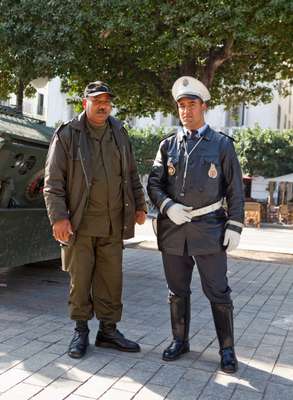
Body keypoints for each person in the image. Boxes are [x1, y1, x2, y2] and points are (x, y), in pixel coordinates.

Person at [147, 76, 244, 373]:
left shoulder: (221, 145)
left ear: (204, 107)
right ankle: (180, 340)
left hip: (210, 229)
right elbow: (154, 183)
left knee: (218, 291)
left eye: (191, 105)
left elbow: (235, 189)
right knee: (177, 291)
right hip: (174, 230)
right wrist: (167, 206)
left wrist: (235, 225)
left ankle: (227, 349)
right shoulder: (167, 146)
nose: (186, 111)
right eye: (181, 105)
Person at [44, 81, 147, 358]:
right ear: (84, 103)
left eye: (107, 101)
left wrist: (140, 204)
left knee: (111, 280)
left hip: (113, 223)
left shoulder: (119, 132)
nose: (103, 105)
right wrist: (59, 218)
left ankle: (108, 331)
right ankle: (80, 331)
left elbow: (132, 174)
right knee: (80, 280)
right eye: (97, 100)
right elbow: (53, 183)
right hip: (80, 225)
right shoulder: (68, 135)